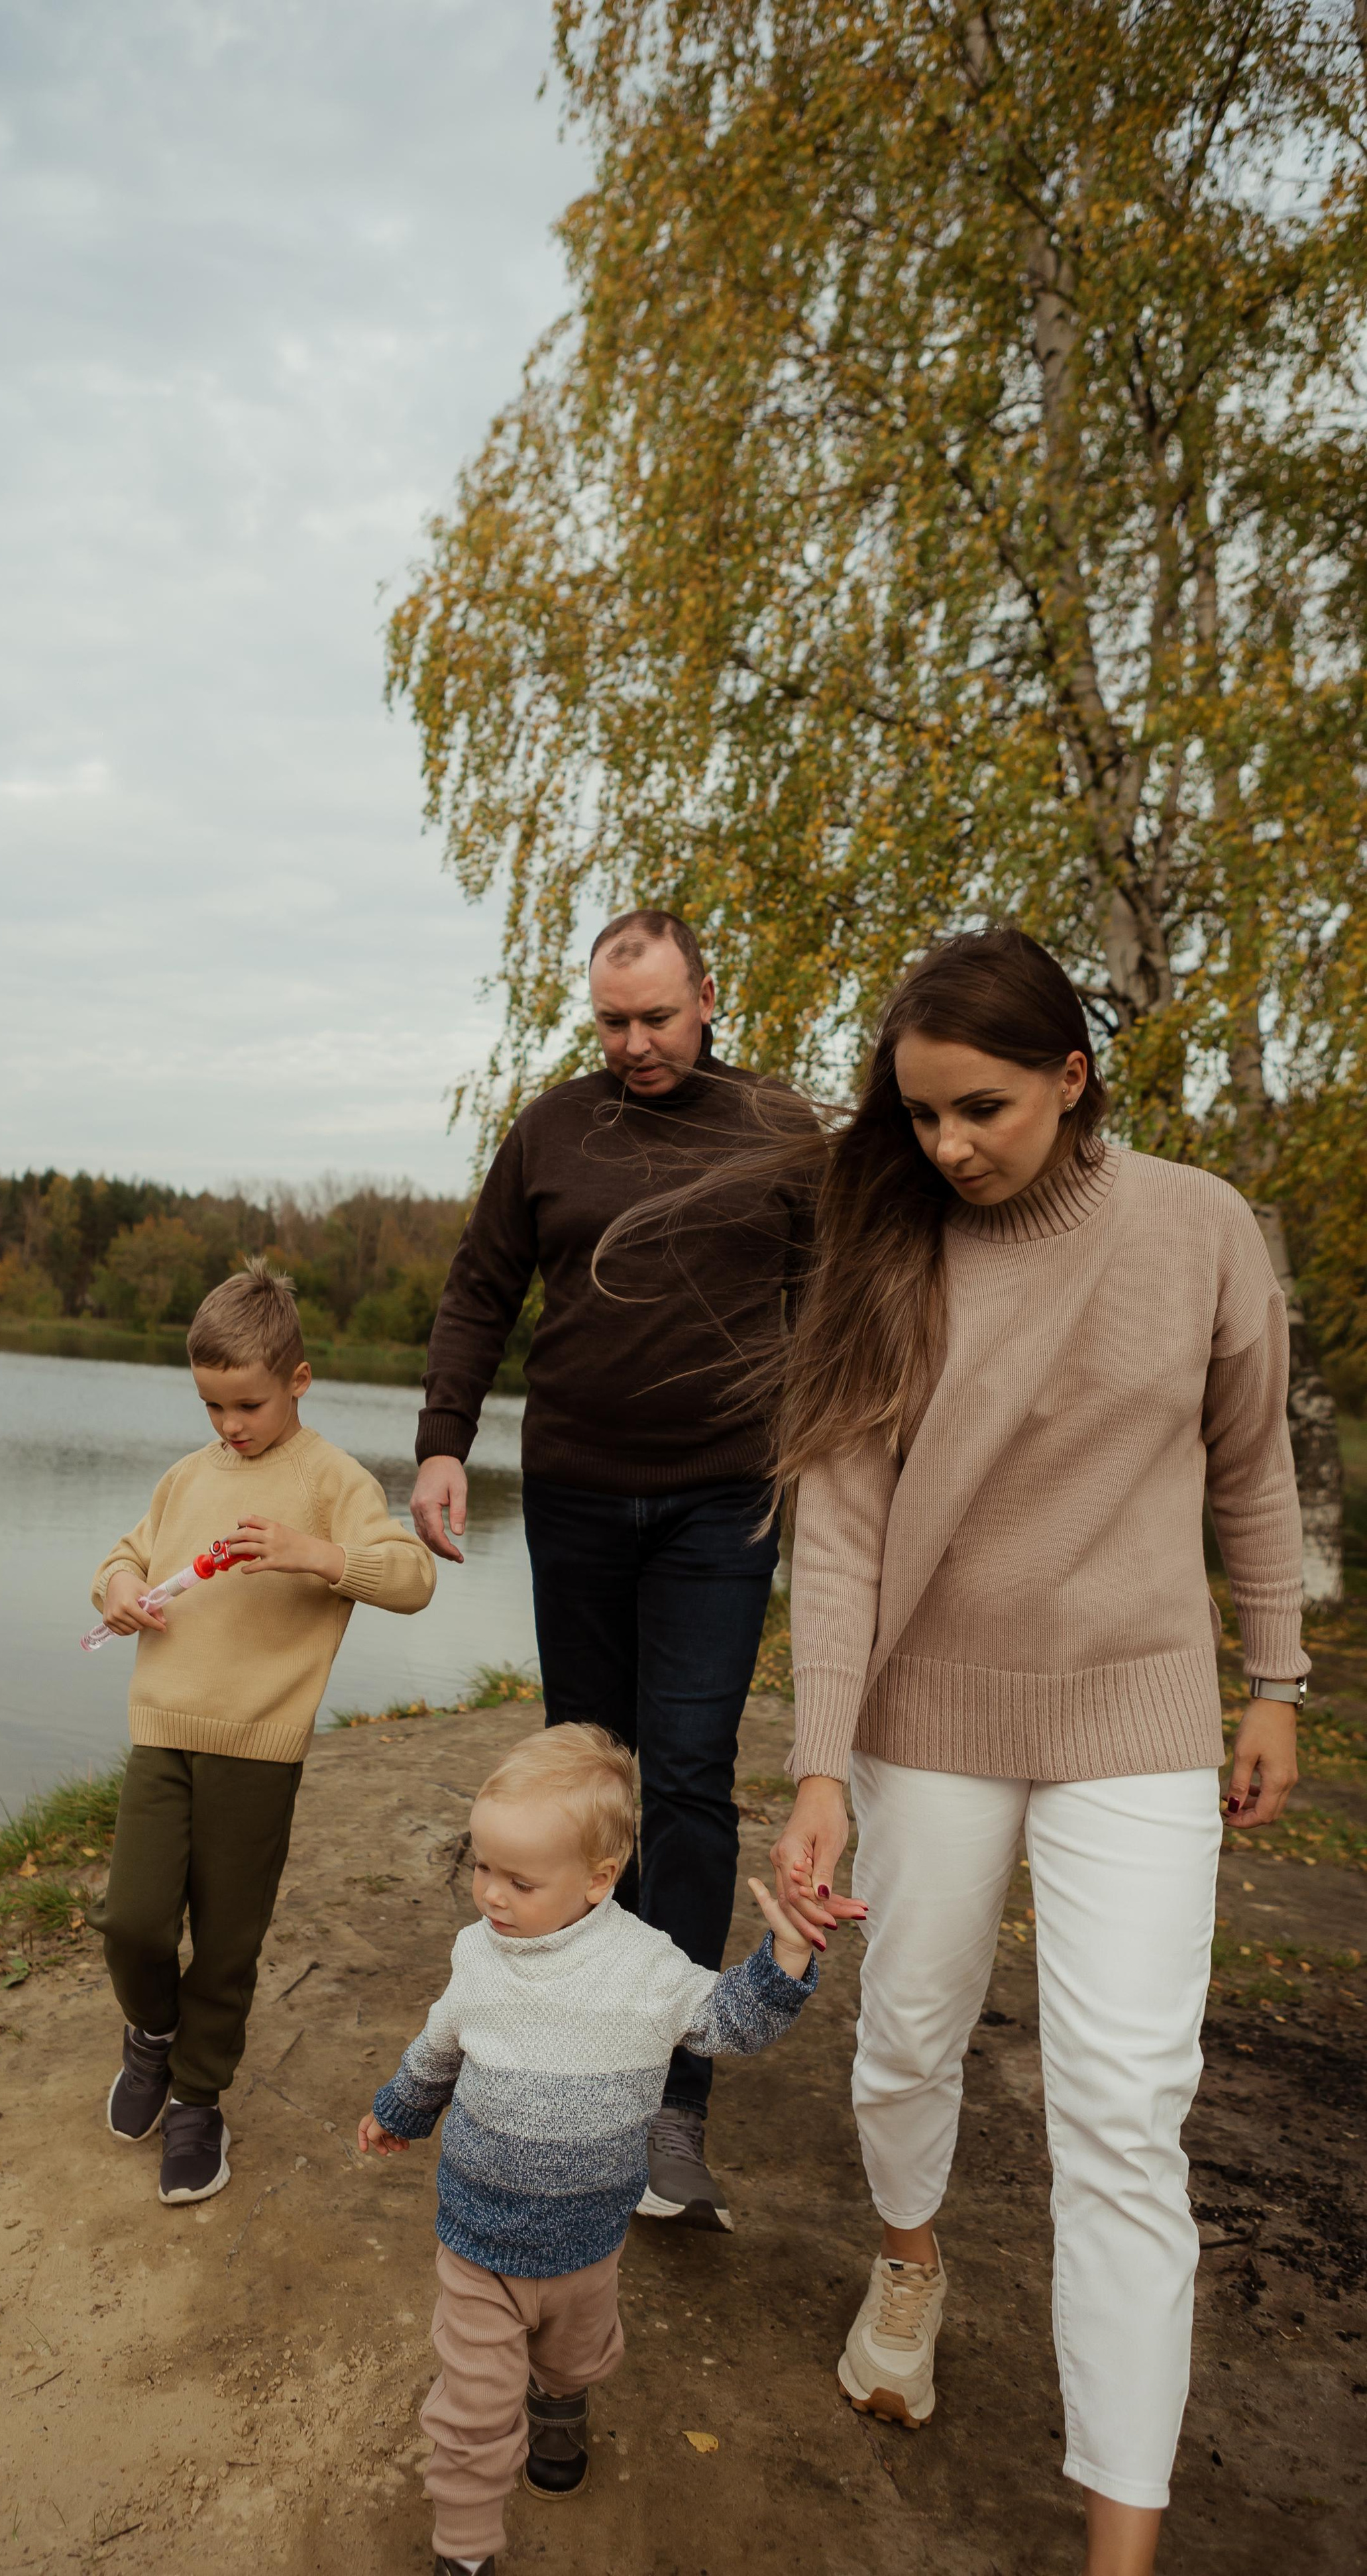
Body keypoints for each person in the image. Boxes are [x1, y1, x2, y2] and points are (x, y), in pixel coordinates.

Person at [762, 928, 1306, 2576]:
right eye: (918, 1115)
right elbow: (842, 1539)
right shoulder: (891, 1249)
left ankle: (1114, 2550)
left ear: (1072, 1077)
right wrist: (816, 1767)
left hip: (1135, 1713)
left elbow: (1251, 1464)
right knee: (905, 2037)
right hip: (925, 1713)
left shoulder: (1198, 1225)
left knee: (1126, 2111)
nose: (946, 1148)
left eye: (979, 1108)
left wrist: (1272, 1675)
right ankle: (910, 2254)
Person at [411, 908, 819, 2229]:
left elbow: (830, 1312)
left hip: (720, 1499)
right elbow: (479, 1289)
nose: (634, 1043)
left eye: (655, 1016)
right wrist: (439, 1447)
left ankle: (674, 2104)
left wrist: (833, 1468)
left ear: (709, 997)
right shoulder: (550, 1131)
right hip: (578, 1494)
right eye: (610, 1020)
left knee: (688, 1781)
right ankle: (568, 2041)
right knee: (588, 1784)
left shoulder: (778, 1134)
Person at [360, 1723, 818, 2576]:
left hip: (587, 2240)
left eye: (520, 1880)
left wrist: (784, 1956)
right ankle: (463, 2554)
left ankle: (561, 2404)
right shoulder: (478, 1954)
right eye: (482, 1867)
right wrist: (400, 2111)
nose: (491, 1895)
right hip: (477, 2241)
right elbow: (438, 2048)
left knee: (572, 2358)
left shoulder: (644, 1966)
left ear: (599, 1880)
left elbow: (725, 2024)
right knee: (470, 2412)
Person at [87, 1258, 435, 2205]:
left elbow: (411, 1578)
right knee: (133, 1922)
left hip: (258, 1748)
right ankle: (152, 2037)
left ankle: (199, 2099)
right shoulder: (184, 1476)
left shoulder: (331, 1480)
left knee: (229, 1941)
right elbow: (127, 1555)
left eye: (247, 1405)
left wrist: (317, 1554)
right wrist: (120, 1592)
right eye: (211, 1407)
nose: (230, 1427)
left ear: (298, 1379)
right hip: (162, 1731)